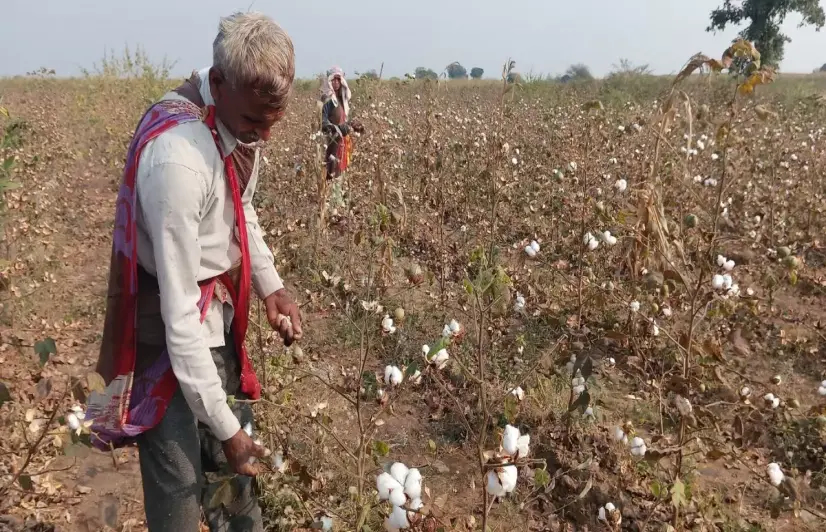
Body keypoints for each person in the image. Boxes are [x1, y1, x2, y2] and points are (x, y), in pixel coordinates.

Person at [86, 12, 301, 532]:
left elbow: (238, 207)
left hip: (215, 316)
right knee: (179, 491)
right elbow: (179, 316)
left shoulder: (236, 125)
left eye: (274, 122)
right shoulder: (178, 162)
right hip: (166, 333)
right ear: (219, 83)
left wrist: (270, 285)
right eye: (255, 123)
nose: (265, 137)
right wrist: (229, 431)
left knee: (235, 487)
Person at [320, 67, 363, 179]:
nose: (336, 82)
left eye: (338, 80)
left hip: (343, 142)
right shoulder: (327, 100)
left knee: (340, 173)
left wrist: (353, 125)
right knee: (331, 172)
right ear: (329, 82)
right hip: (331, 143)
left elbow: (344, 120)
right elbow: (323, 123)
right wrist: (337, 128)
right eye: (333, 80)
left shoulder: (342, 100)